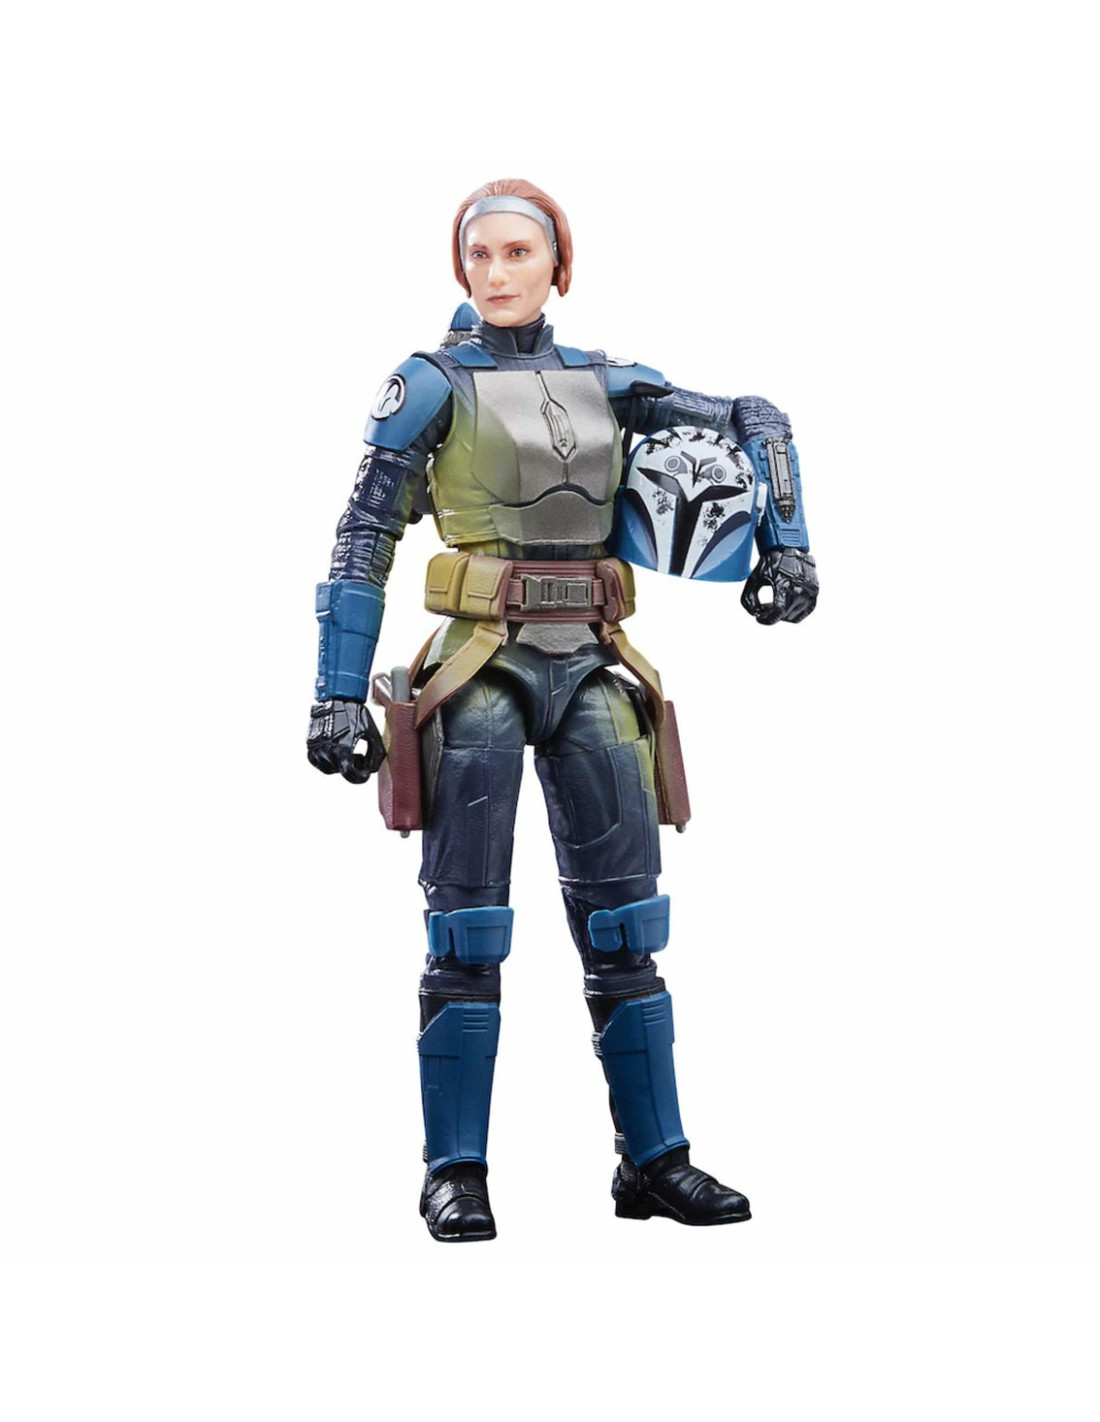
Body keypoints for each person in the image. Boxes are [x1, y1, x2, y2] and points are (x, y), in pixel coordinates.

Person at [307, 178, 818, 1242]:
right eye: (478, 255)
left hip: (591, 665)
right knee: (466, 931)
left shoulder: (608, 382)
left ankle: (655, 1162)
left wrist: (789, 541)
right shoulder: (429, 383)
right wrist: (335, 694)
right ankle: (454, 1171)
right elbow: (363, 537)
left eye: (516, 253)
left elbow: (752, 418)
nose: (495, 272)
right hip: (476, 672)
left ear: (558, 265)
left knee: (627, 927)